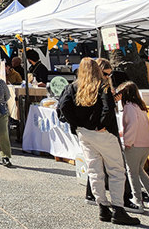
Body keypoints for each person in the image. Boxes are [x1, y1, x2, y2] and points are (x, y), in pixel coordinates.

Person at [57, 58, 139, 226]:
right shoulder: (102, 86)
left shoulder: (73, 87)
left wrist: (77, 124)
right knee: (116, 170)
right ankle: (118, 208)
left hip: (84, 134)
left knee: (94, 170)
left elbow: (63, 106)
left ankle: (102, 206)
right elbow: (107, 107)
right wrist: (99, 124)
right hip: (102, 133)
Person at [116, 81, 149, 210]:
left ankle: (137, 199)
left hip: (134, 144)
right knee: (139, 170)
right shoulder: (140, 107)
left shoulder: (128, 107)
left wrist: (127, 141)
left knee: (132, 172)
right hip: (146, 144)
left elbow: (132, 125)